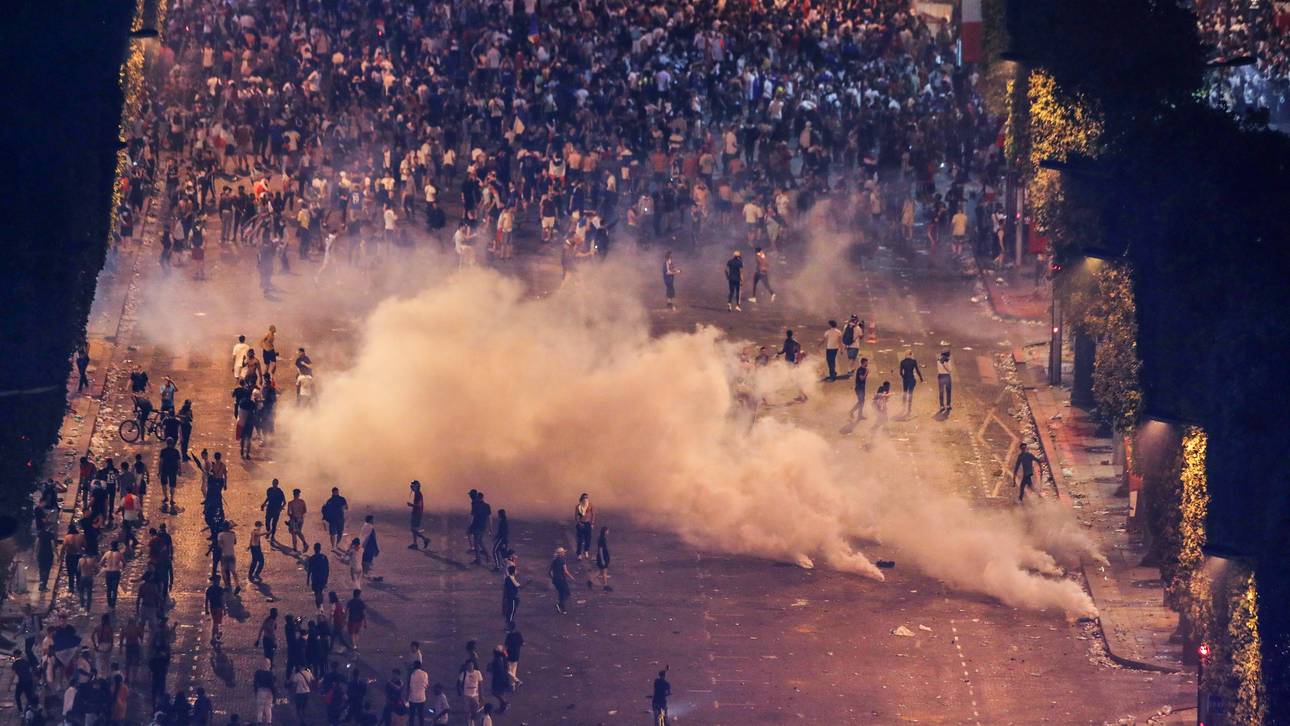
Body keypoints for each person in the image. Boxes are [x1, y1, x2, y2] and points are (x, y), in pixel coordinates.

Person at [898, 350, 924, 416]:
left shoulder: (902, 362)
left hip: (905, 379)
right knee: (910, 394)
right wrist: (921, 378)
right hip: (911, 379)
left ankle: (903, 408)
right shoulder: (913, 361)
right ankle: (909, 409)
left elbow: (901, 372)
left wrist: (904, 377)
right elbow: (917, 370)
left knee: (905, 393)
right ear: (911, 354)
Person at [252, 658, 276, 725]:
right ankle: (269, 722)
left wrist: (256, 691)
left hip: (260, 691)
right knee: (268, 708)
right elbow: (272, 685)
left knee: (260, 708)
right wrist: (274, 694)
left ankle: (259, 722)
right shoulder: (270, 673)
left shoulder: (258, 672)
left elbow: (255, 683)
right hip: (268, 692)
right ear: (269, 665)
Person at [549, 547, 572, 614]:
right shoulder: (562, 560)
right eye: (563, 552)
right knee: (567, 592)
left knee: (561, 593)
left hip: (556, 580)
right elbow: (565, 571)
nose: (564, 553)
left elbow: (550, 571)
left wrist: (553, 578)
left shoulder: (554, 560)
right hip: (561, 579)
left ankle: (562, 608)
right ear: (561, 553)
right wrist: (571, 577)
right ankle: (560, 604)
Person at [306, 543, 330, 610]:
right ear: (320, 549)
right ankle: (321, 606)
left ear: (314, 549)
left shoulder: (312, 558)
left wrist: (308, 579)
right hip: (322, 578)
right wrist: (326, 578)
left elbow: (309, 569)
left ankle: (319, 607)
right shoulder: (324, 557)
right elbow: (327, 569)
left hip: (315, 578)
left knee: (317, 593)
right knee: (321, 591)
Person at [261, 479, 286, 543]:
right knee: (267, 522)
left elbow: (284, 502)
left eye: (275, 483)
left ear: (277, 484)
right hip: (269, 508)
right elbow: (268, 498)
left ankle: (272, 536)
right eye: (273, 483)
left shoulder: (280, 492)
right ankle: (269, 532)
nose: (274, 484)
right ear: (272, 483)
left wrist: (280, 509)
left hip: (276, 510)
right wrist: (264, 503)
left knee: (274, 524)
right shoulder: (269, 490)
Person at [408, 480, 430, 550]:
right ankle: (415, 544)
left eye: (413, 486)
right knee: (414, 529)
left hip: (417, 513)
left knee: (413, 529)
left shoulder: (418, 494)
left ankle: (425, 539)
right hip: (416, 512)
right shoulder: (417, 493)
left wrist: (411, 505)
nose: (411, 487)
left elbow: (419, 505)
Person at [487, 646, 510, 713]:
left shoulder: (496, 661)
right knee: (501, 693)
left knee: (495, 692)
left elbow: (492, 670)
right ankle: (502, 707)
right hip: (504, 678)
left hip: (498, 680)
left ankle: (504, 703)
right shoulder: (503, 659)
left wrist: (489, 667)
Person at [204, 576, 225, 646]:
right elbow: (222, 600)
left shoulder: (209, 589)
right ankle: (214, 638)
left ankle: (217, 634)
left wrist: (206, 609)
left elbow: (206, 600)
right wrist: (224, 608)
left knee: (216, 623)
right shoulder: (220, 589)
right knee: (216, 623)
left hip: (212, 608)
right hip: (218, 608)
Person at [407, 660, 429, 726]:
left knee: (412, 716)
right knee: (421, 716)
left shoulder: (412, 674)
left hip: (412, 698)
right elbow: (426, 686)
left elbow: (409, 686)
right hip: (421, 698)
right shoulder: (425, 674)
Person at [574, 493, 595, 560]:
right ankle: (579, 554)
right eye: (584, 498)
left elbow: (593, 515)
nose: (586, 499)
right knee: (580, 540)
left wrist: (592, 523)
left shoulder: (590, 505)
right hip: (581, 524)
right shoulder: (578, 506)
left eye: (587, 498)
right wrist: (579, 523)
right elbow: (576, 516)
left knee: (588, 539)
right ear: (581, 499)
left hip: (588, 524)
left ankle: (586, 551)